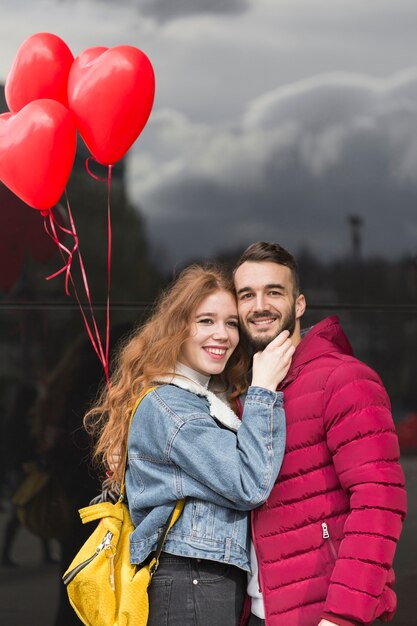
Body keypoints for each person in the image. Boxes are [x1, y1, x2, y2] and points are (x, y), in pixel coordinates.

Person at [84, 264, 295, 626]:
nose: (223, 334)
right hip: (191, 580)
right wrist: (262, 390)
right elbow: (249, 483)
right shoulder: (172, 406)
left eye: (231, 323)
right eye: (206, 321)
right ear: (179, 328)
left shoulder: (204, 400)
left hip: (201, 579)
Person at [233, 241, 407, 626]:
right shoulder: (249, 393)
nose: (260, 305)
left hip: (324, 616)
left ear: (299, 305)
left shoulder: (344, 379)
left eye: (273, 292)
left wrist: (341, 617)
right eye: (248, 295)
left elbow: (380, 503)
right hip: (263, 614)